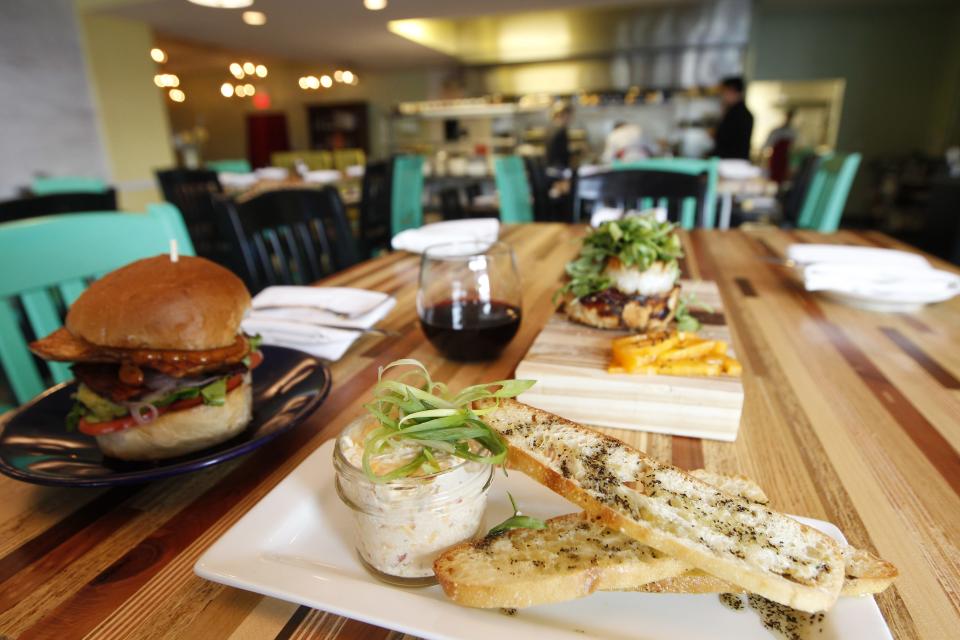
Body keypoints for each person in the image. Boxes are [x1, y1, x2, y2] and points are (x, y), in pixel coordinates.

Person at [711, 77, 754, 160]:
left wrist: (714, 133)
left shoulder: (735, 114)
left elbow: (724, 138)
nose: (722, 95)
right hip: (737, 160)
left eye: (724, 91)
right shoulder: (744, 113)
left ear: (732, 90)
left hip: (730, 162)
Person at [763, 109, 797, 183]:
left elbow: (794, 148)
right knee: (772, 178)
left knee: (782, 179)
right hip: (775, 158)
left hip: (785, 159)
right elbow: (767, 145)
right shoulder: (776, 131)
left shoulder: (793, 132)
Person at [545, 100, 573, 171]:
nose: (570, 119)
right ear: (561, 115)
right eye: (568, 116)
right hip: (559, 168)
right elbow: (563, 153)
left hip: (552, 167)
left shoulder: (550, 129)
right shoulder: (560, 130)